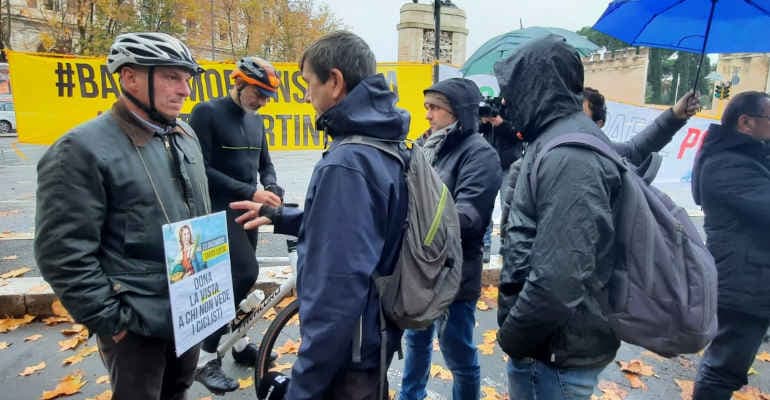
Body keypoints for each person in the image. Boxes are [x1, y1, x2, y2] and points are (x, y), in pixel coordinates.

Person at [230, 30, 410, 399]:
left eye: (309, 82)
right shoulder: (381, 141)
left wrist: (304, 386)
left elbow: (338, 288)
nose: (306, 94)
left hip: (348, 353)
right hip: (372, 335)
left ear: (336, 81)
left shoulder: (348, 162)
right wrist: (281, 216)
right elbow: (360, 227)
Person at [34, 32, 210, 400]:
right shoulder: (80, 149)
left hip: (187, 308)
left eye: (187, 79)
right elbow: (62, 253)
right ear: (130, 78)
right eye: (171, 77)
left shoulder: (184, 134)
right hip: (134, 321)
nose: (185, 90)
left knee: (177, 390)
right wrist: (111, 321)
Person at [494, 34, 624, 399]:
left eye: (513, 88)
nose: (506, 100)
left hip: (552, 354)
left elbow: (558, 280)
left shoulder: (569, 155)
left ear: (536, 86)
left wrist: (513, 338)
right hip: (550, 347)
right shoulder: (557, 139)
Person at [399, 78, 502, 400]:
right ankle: (410, 395)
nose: (427, 115)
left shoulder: (480, 154)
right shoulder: (427, 145)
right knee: (415, 340)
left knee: (458, 350)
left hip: (455, 271)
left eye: (435, 108)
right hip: (420, 266)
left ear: (458, 112)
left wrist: (417, 220)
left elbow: (470, 218)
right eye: (426, 107)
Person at [189, 56, 283, 394]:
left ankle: (238, 343)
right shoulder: (207, 112)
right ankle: (205, 356)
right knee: (241, 275)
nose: (260, 101)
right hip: (217, 211)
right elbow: (201, 168)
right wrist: (251, 190)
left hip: (249, 211)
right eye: (257, 93)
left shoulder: (256, 122)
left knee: (237, 281)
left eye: (266, 97)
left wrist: (271, 187)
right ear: (238, 82)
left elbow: (266, 165)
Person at [691, 91, 770, 399]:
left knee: (727, 366)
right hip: (743, 281)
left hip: (752, 276)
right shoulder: (726, 165)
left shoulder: (747, 157)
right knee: (723, 371)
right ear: (746, 123)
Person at [479, 111, 524, 263]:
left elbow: (520, 134)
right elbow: (477, 130)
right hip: (488, 163)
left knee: (509, 207)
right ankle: (485, 244)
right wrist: (484, 122)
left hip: (509, 165)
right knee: (483, 206)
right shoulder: (493, 107)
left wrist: (501, 124)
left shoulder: (518, 107)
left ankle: (507, 245)